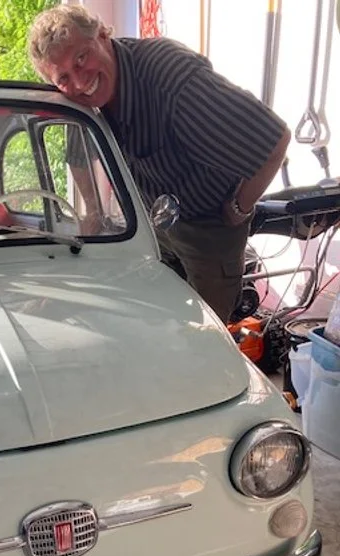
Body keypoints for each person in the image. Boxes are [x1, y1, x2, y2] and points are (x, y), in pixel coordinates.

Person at [28, 4, 291, 324]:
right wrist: (92, 217)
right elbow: (76, 153)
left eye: (81, 58)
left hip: (208, 223)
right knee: (154, 321)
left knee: (206, 333)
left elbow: (274, 139)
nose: (80, 81)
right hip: (152, 223)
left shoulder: (171, 78)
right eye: (64, 77)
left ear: (102, 34)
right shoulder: (82, 99)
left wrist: (239, 208)